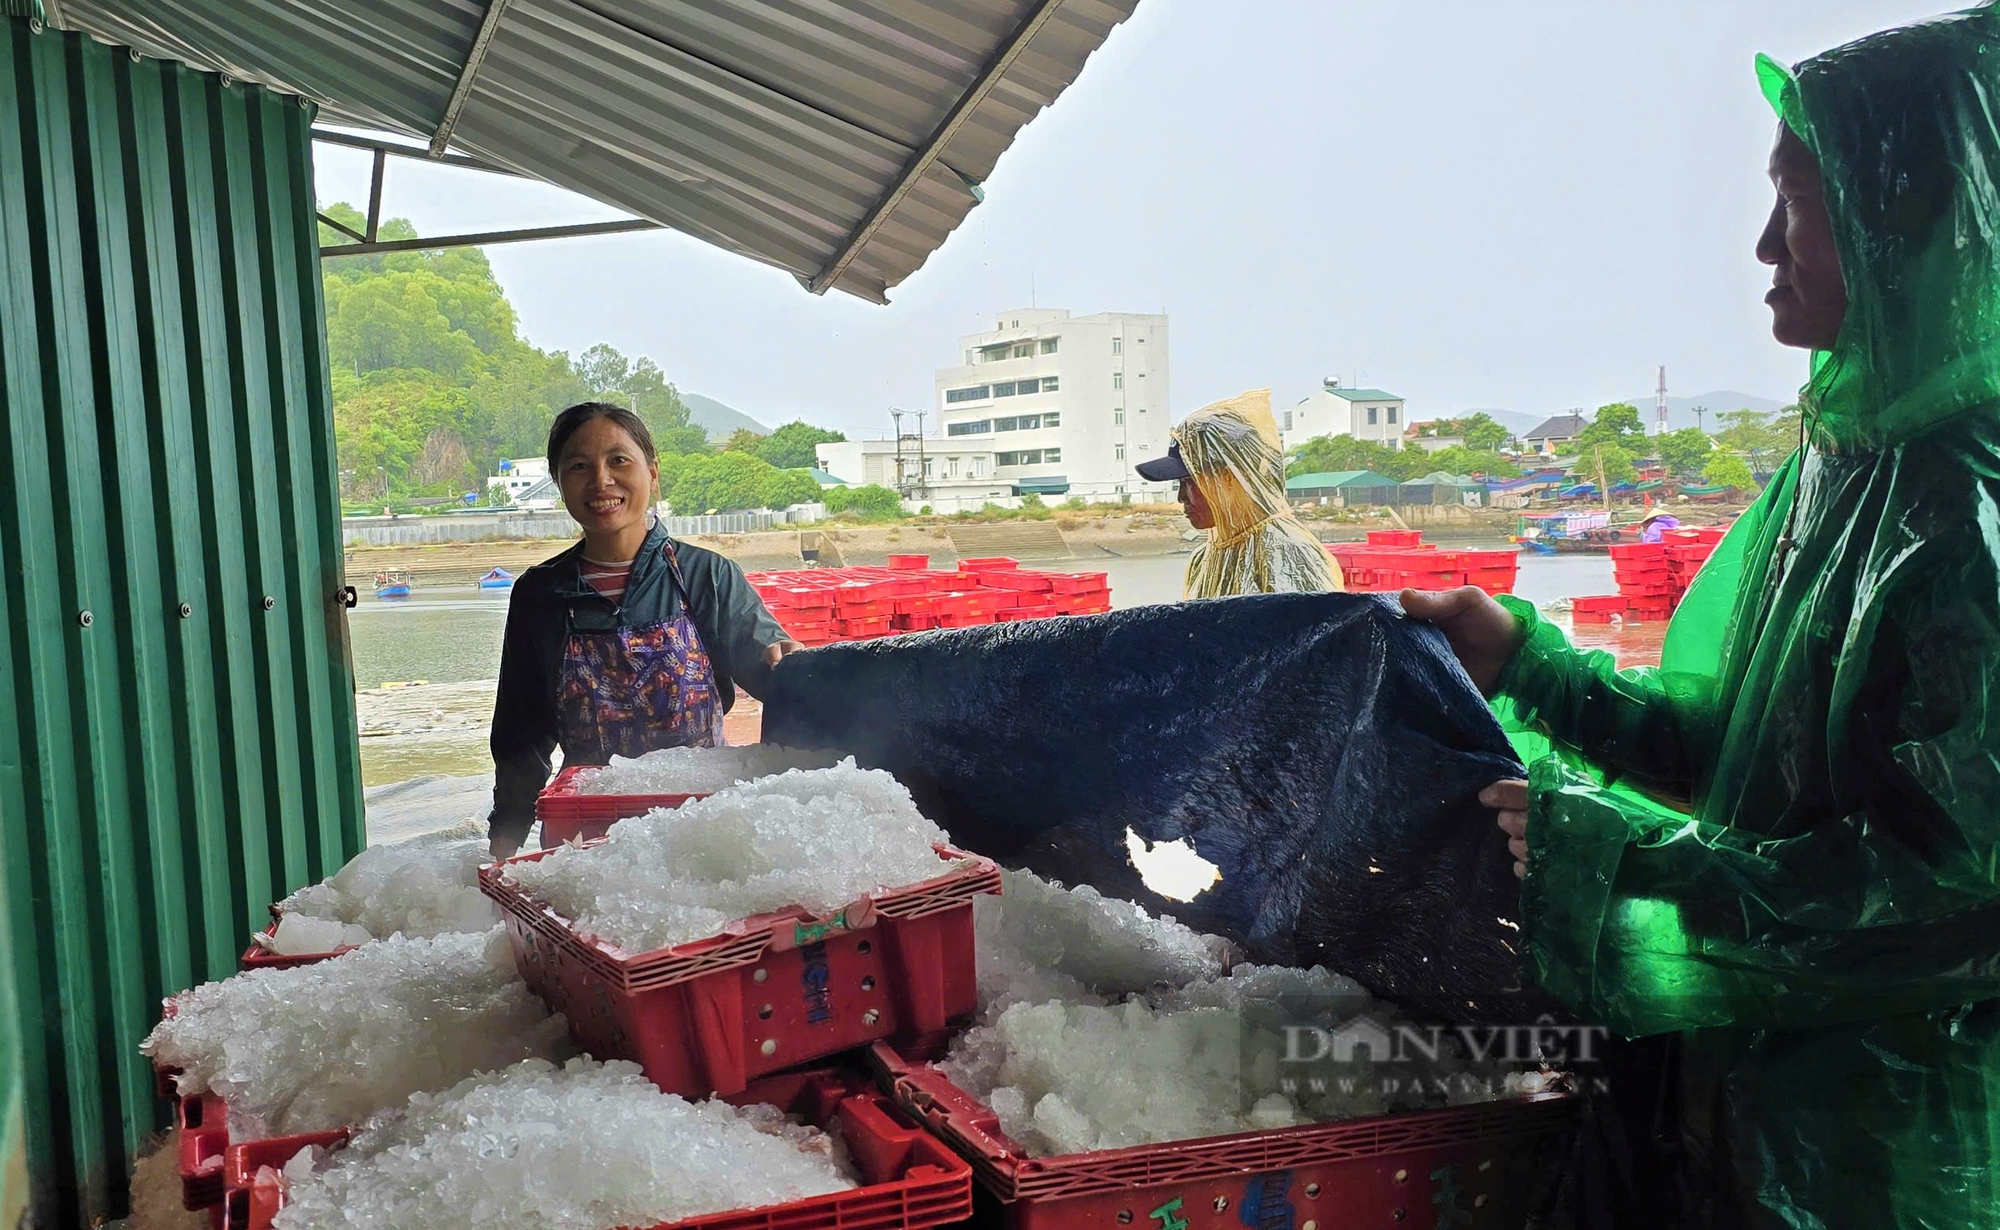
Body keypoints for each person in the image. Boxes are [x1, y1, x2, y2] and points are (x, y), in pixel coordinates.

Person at [1405, 14, 2000, 1226]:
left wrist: (1603, 859)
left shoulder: (1969, 518)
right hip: (1754, 1102)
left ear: (1917, 217)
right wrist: (1530, 665)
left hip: (1904, 1154)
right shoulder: (1843, 466)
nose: (1764, 243)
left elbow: (1938, 905)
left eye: (1803, 199)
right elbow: (1746, 769)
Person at [485, 402, 800, 857]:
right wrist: (502, 851)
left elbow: (773, 670)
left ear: (652, 473)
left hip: (706, 833)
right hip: (585, 841)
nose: (601, 481)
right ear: (558, 483)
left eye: (618, 461)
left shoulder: (706, 575)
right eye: (578, 466)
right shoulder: (539, 594)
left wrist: (789, 661)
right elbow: (520, 735)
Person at [1134, 389, 1344, 598]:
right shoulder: (1203, 560)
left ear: (1230, 478)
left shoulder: (1291, 555)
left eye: (1190, 482)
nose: (1181, 498)